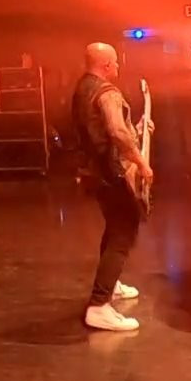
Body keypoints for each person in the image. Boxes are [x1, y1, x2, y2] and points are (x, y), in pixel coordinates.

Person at [70, 42, 152, 333]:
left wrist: (138, 130)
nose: (117, 66)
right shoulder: (107, 92)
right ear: (106, 65)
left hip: (95, 172)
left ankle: (110, 283)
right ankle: (99, 305)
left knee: (114, 227)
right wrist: (141, 162)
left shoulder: (82, 89)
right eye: (115, 62)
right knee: (123, 232)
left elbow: (104, 130)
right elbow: (116, 131)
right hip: (113, 173)